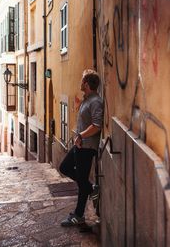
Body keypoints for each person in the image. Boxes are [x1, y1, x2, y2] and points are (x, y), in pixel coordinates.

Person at [59, 69, 103, 227]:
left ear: (87, 83)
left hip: (87, 147)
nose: (80, 82)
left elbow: (97, 125)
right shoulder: (87, 100)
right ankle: (91, 188)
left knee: (81, 180)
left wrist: (81, 136)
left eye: (82, 80)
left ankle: (78, 215)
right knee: (64, 167)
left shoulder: (96, 101)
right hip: (80, 144)